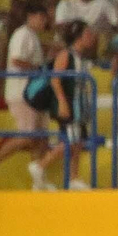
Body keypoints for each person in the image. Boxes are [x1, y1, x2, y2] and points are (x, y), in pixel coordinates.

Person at [0, 4, 51, 189]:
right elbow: (16, 60)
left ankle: (38, 182)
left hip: (35, 95)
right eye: (42, 17)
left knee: (41, 137)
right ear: (32, 15)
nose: (45, 21)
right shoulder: (23, 34)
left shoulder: (32, 36)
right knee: (29, 135)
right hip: (22, 93)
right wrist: (39, 70)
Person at [39, 20, 99, 190]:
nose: (91, 37)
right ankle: (41, 165)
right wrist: (63, 103)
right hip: (70, 104)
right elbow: (56, 80)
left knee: (78, 141)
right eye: (87, 34)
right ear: (79, 37)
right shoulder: (66, 55)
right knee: (70, 141)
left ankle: (74, 177)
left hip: (79, 106)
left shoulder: (81, 57)